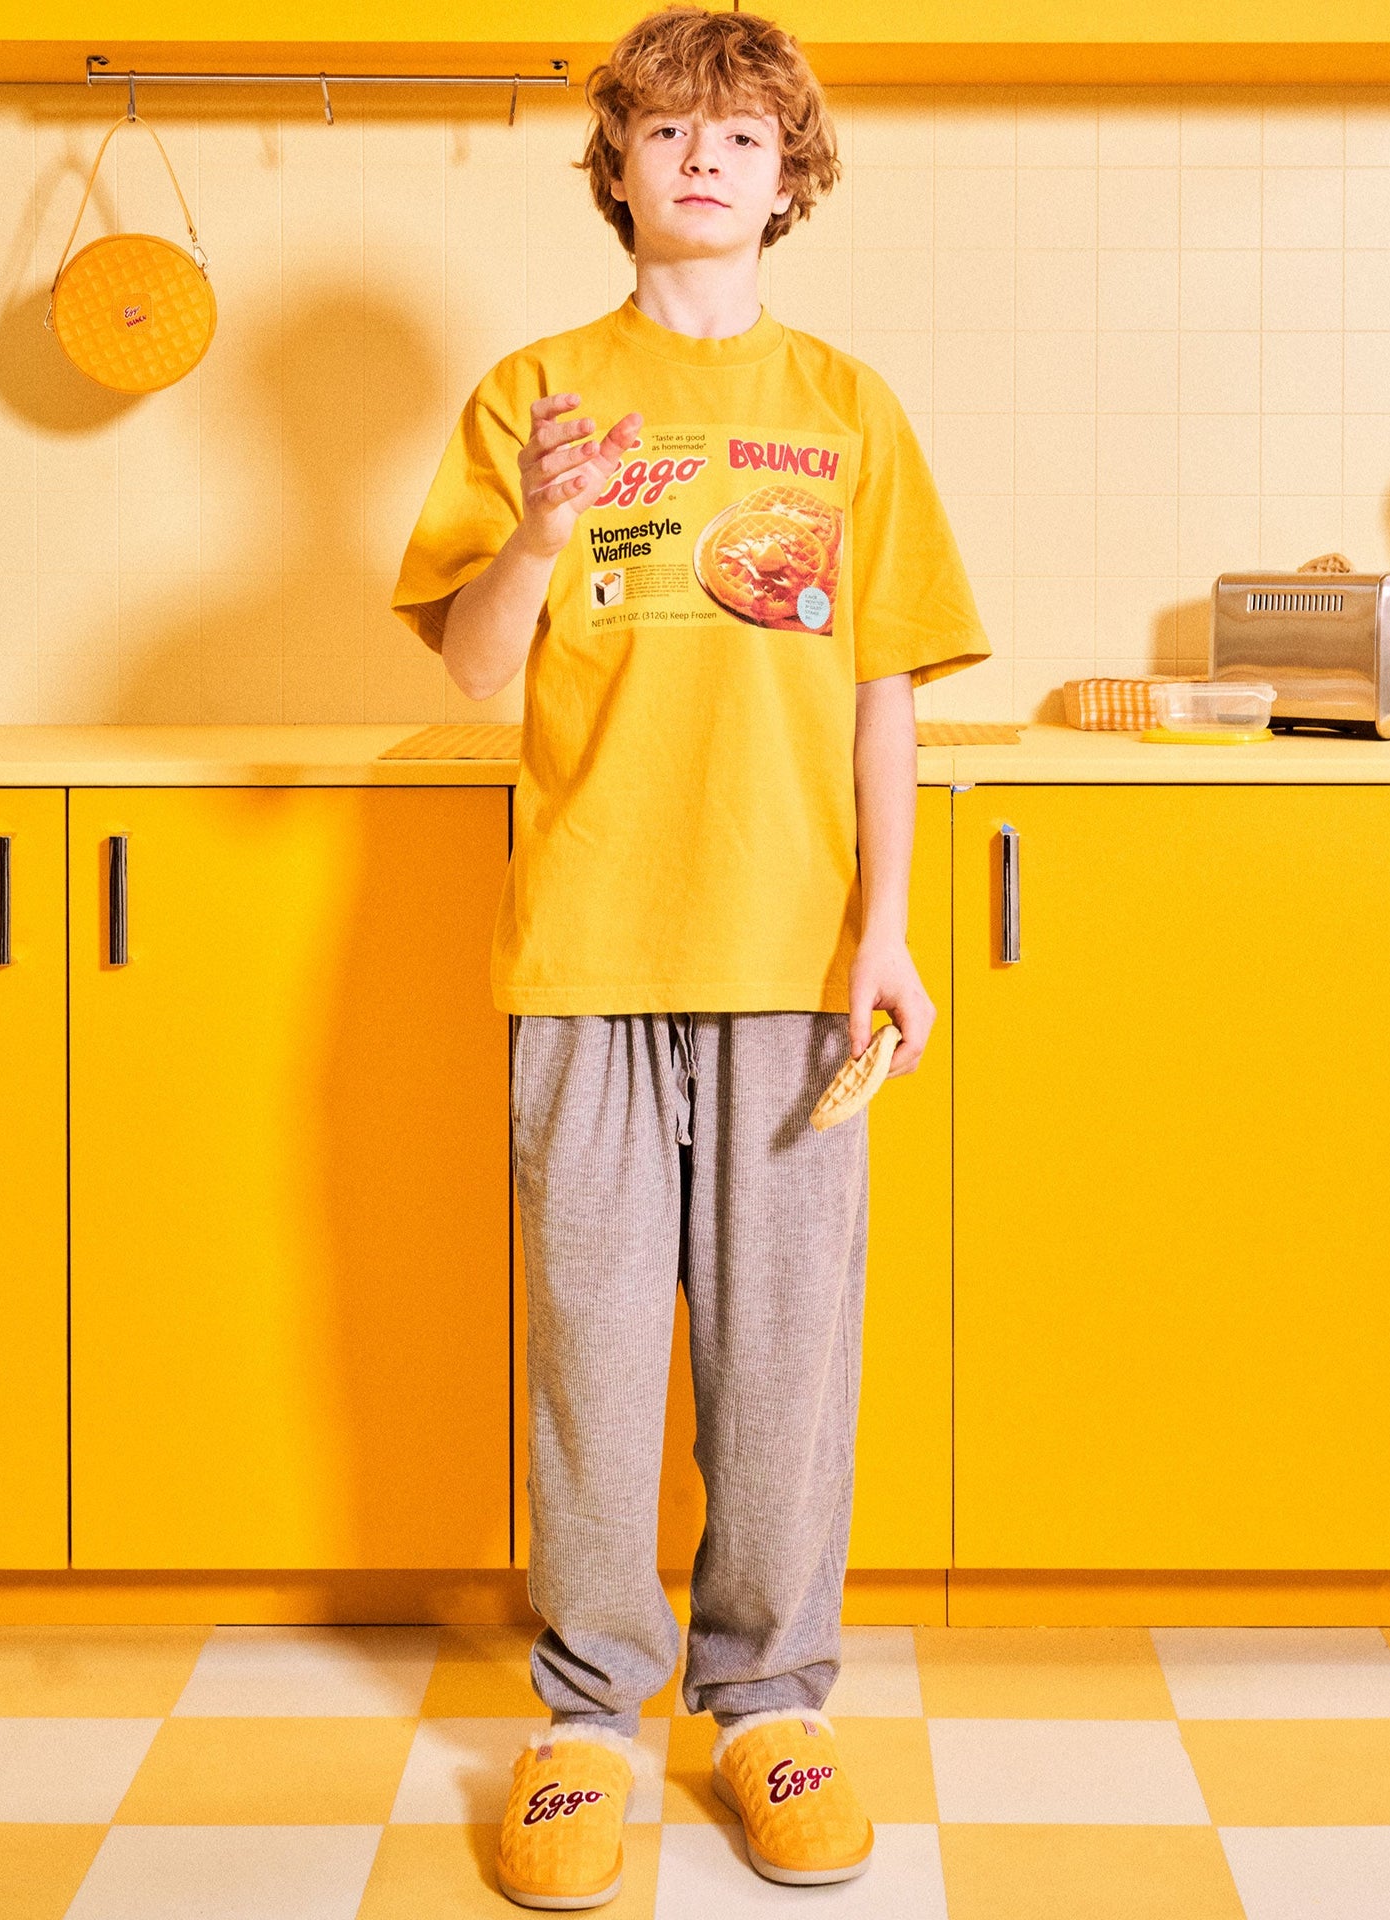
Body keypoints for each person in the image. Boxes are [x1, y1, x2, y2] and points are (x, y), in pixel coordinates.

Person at [392, 7, 987, 1906]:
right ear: (620, 169)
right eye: (667, 130)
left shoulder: (849, 407)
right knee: (588, 1353)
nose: (707, 156)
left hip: (795, 961)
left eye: (742, 132)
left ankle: (768, 1707)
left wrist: (886, 931)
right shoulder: (537, 393)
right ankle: (585, 1720)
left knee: (785, 1359)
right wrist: (541, 532)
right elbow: (476, 669)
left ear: (788, 174)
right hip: (585, 947)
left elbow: (885, 693)